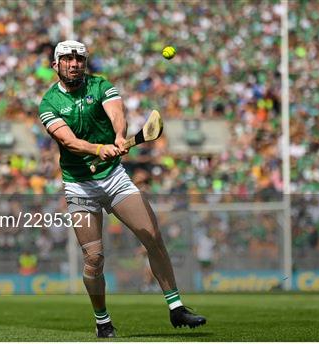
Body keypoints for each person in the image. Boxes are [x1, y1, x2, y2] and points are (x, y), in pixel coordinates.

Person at [38, 40, 206, 338]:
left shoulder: (100, 85)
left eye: (79, 59)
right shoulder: (49, 104)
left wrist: (118, 136)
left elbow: (116, 112)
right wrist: (97, 148)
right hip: (79, 185)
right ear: (56, 65)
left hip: (113, 176)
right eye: (68, 59)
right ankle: (102, 320)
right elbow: (69, 142)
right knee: (94, 257)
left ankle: (176, 307)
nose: (75, 63)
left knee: (152, 235)